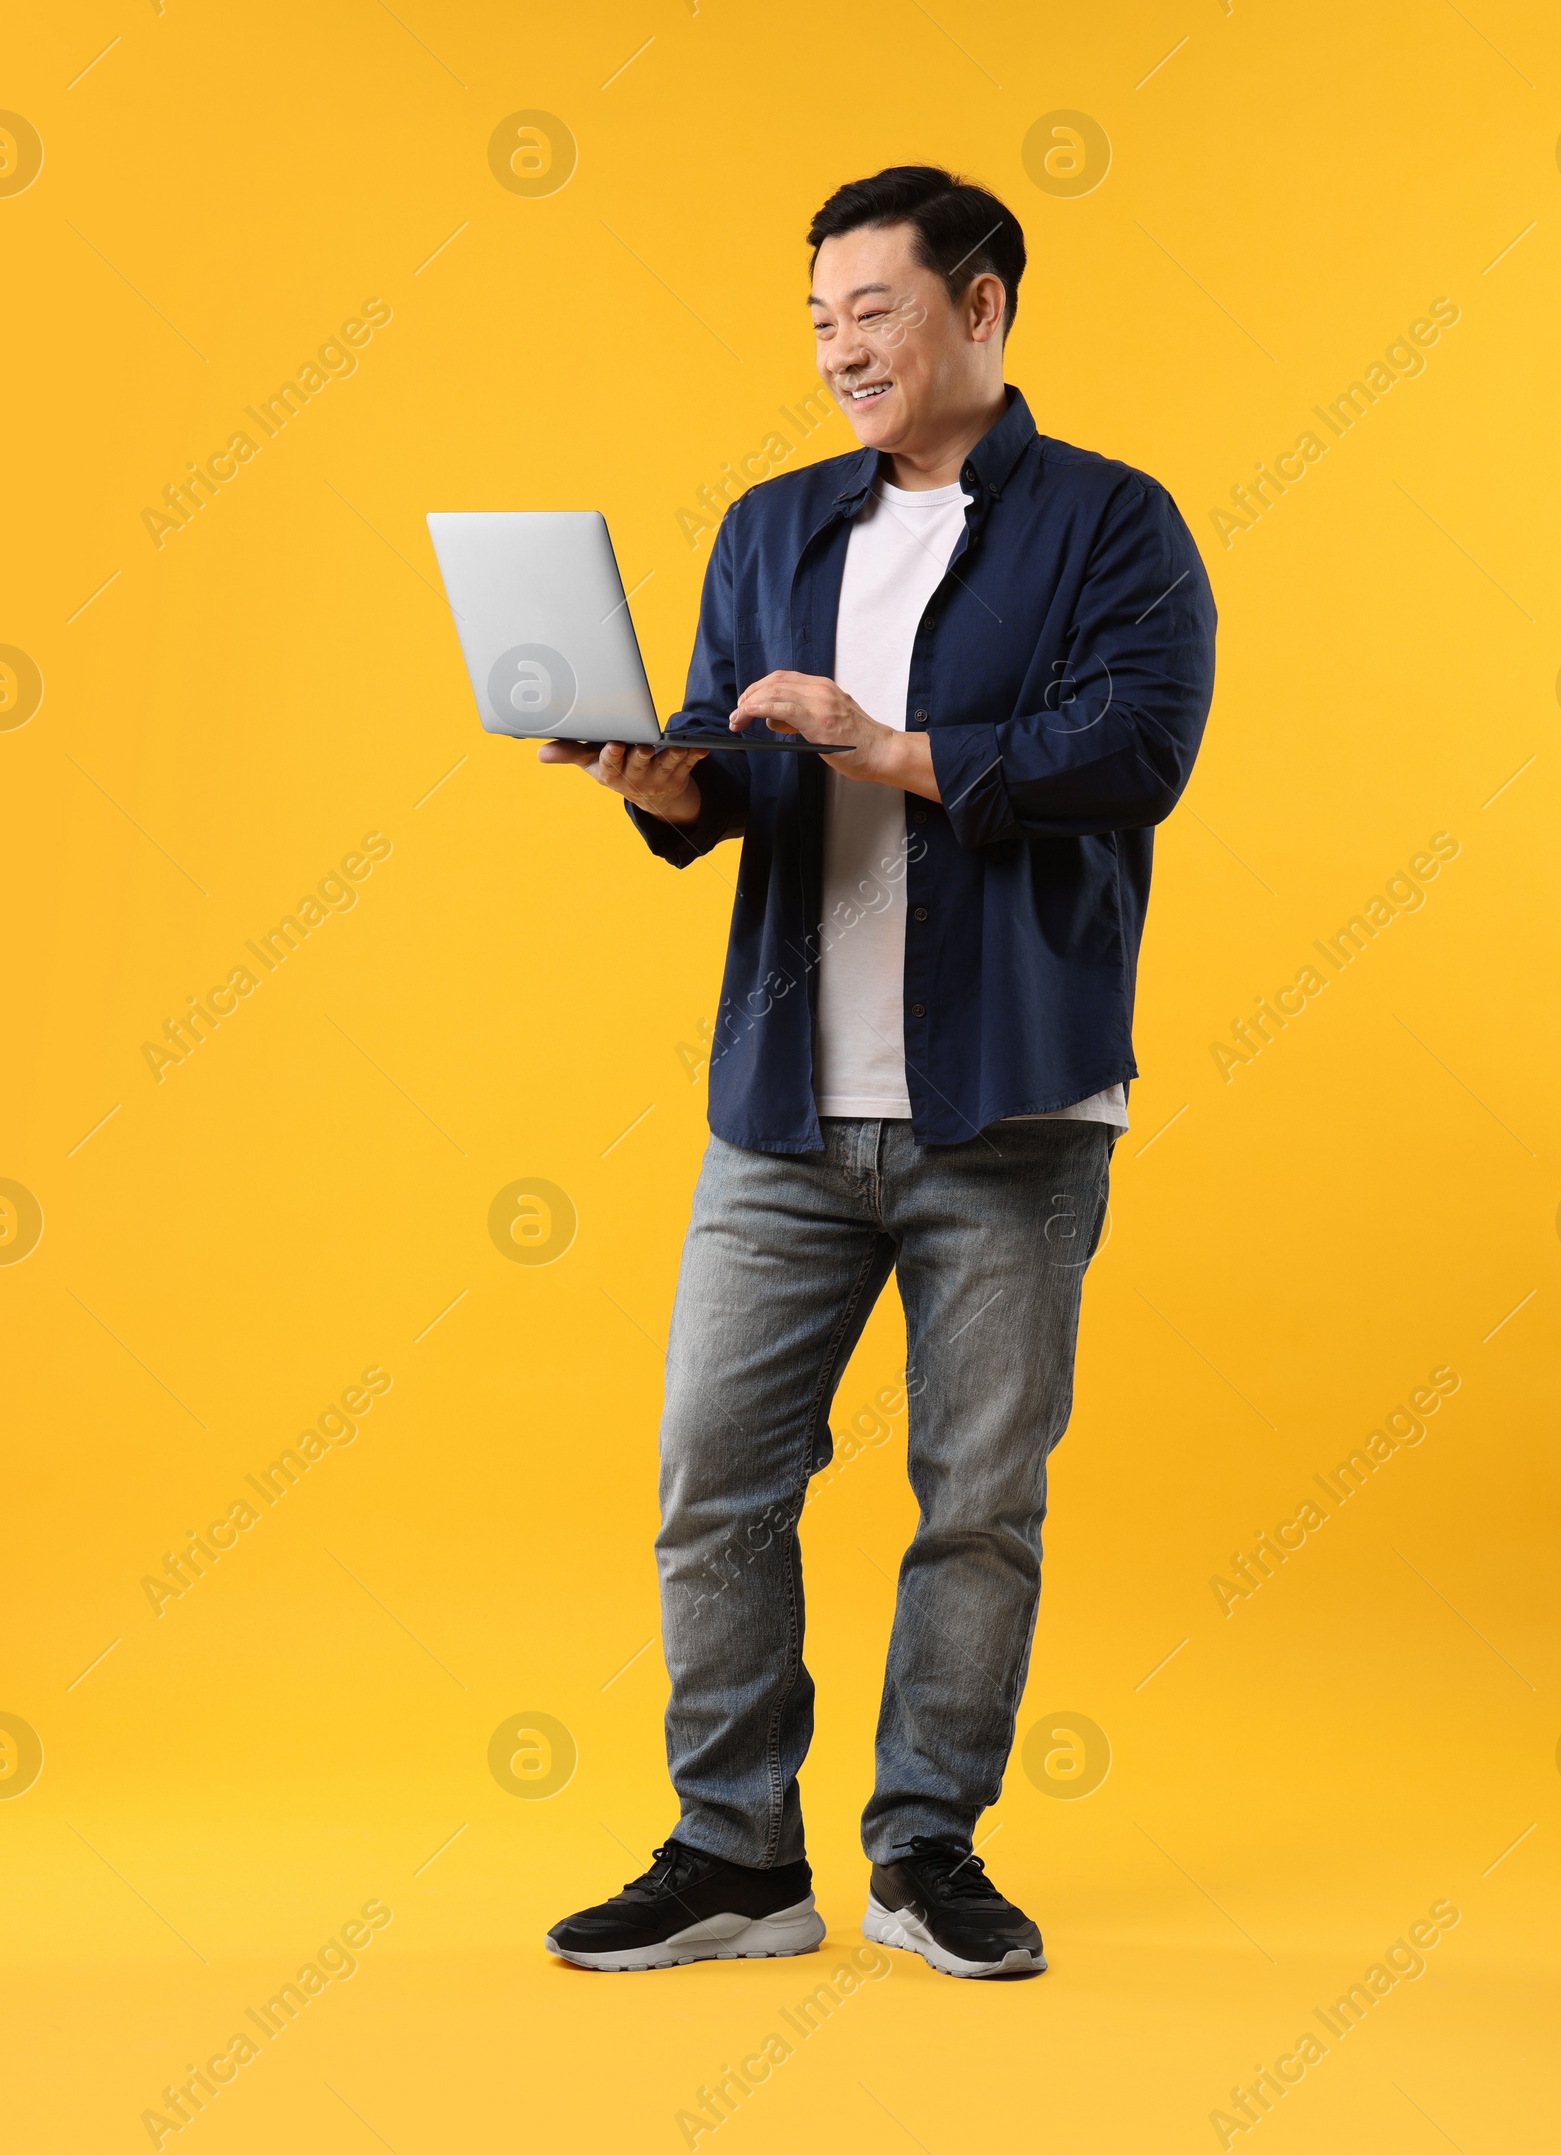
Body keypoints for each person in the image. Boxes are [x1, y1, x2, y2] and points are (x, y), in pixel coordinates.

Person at [540, 165, 1216, 1977]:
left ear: (981, 308)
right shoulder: (771, 527)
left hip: (1008, 1097)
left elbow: (1134, 751)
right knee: (712, 1475)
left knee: (976, 1500)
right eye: (821, 320)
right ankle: (736, 1852)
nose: (842, 348)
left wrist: (891, 743)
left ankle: (926, 1845)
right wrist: (667, 782)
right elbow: (736, 767)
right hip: (783, 1099)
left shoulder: (1113, 525)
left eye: (877, 312)